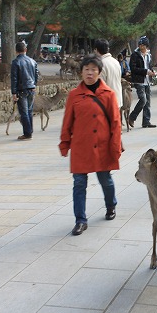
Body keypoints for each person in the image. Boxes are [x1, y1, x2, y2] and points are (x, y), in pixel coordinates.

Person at [59, 54, 122, 236]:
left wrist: (115, 146)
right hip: (81, 147)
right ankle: (80, 220)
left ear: (99, 73)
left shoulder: (109, 95)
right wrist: (65, 143)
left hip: (103, 145)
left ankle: (111, 205)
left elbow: (116, 124)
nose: (90, 73)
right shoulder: (74, 95)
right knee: (79, 183)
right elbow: (67, 122)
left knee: (105, 180)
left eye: (93, 70)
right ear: (81, 73)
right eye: (86, 69)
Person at [11, 42, 38, 140]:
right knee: (29, 111)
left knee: (24, 112)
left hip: (21, 89)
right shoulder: (32, 61)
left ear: (16, 51)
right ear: (25, 50)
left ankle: (27, 133)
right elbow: (36, 75)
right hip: (31, 88)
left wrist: (14, 92)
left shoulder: (16, 62)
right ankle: (30, 130)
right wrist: (34, 84)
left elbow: (14, 78)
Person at [128, 36, 157, 128]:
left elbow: (150, 67)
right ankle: (132, 117)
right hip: (139, 81)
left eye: (143, 45)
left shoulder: (149, 55)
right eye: (140, 45)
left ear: (147, 46)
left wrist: (153, 72)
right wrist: (145, 71)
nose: (141, 47)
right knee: (143, 99)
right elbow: (133, 69)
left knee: (147, 102)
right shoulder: (135, 55)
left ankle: (146, 121)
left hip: (147, 80)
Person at [94, 39, 123, 110]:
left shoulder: (101, 64)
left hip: (107, 102)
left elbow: (100, 86)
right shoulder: (115, 62)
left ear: (96, 50)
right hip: (118, 99)